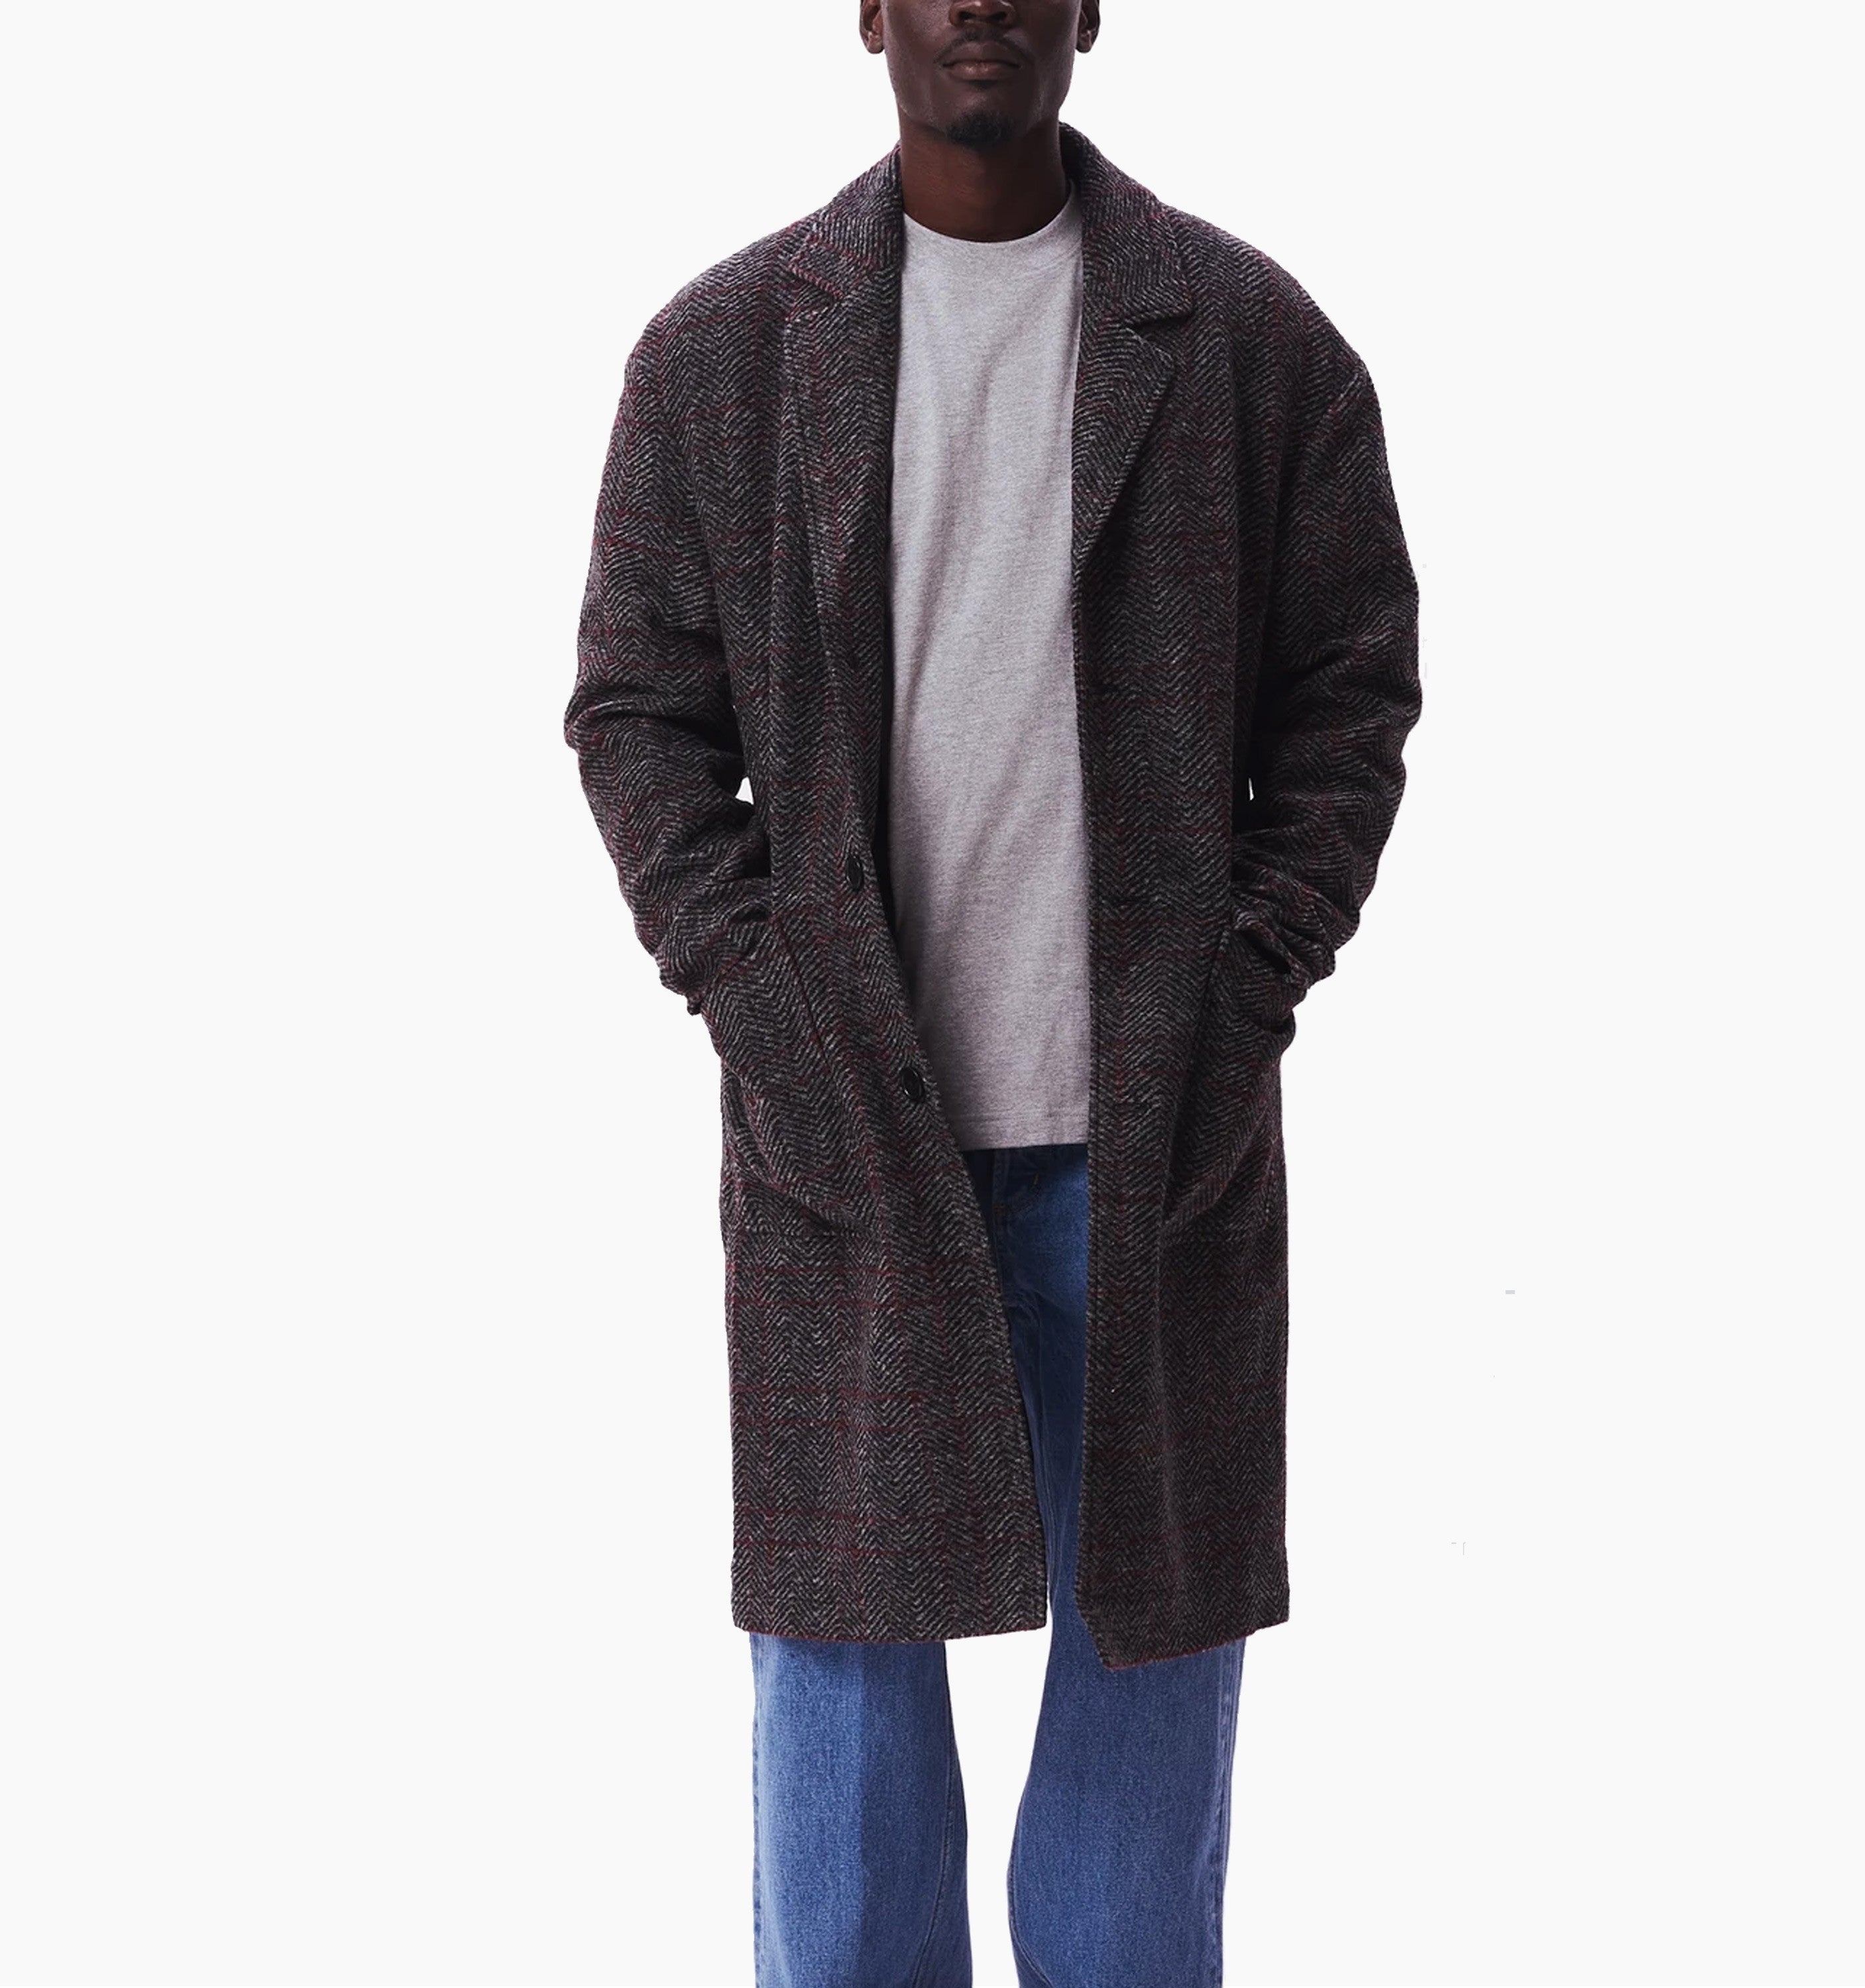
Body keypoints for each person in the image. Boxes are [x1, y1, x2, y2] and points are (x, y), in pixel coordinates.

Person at [563, 1, 1421, 1978]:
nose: (984, 3)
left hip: (1155, 1140)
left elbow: (1351, 692)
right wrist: (761, 1000)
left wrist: (1244, 986)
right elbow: (637, 716)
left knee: (1148, 1699)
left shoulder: (1251, 342)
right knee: (845, 1724)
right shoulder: (725, 353)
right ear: (868, 10)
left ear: (1093, 9)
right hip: (851, 1144)